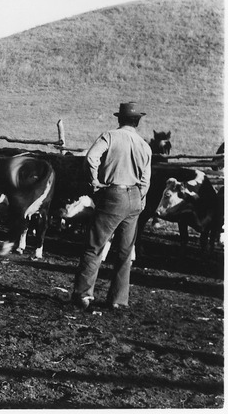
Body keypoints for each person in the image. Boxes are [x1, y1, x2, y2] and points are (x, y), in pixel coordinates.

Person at [71, 102, 152, 311]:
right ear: (138, 121)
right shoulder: (144, 145)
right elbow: (145, 180)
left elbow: (91, 158)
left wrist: (95, 182)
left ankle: (83, 294)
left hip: (113, 194)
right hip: (134, 197)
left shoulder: (110, 136)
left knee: (94, 245)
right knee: (125, 252)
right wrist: (138, 197)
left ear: (119, 119)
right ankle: (118, 299)